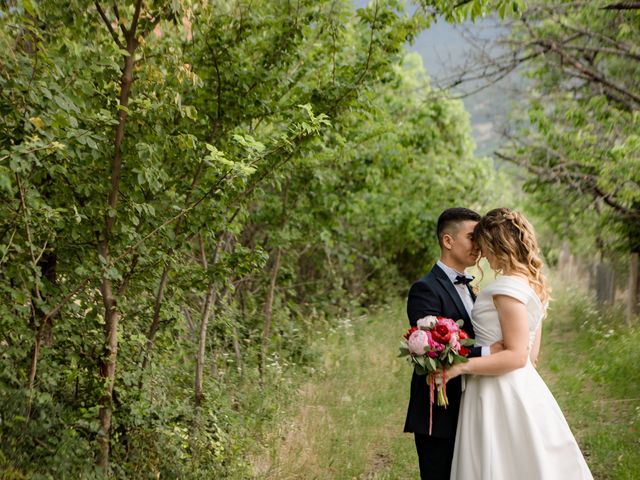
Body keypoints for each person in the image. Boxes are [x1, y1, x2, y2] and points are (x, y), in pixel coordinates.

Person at [446, 208, 593, 480]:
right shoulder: (532, 285)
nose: (481, 253)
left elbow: (516, 356)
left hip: (496, 390)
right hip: (523, 386)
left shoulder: (506, 288)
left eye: (483, 245)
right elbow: (531, 356)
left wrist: (459, 367)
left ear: (495, 244)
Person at [405, 207, 503, 480]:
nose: (480, 246)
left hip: (473, 403)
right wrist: (489, 351)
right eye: (473, 237)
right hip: (440, 409)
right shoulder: (425, 289)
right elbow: (436, 349)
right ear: (448, 241)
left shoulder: (472, 288)